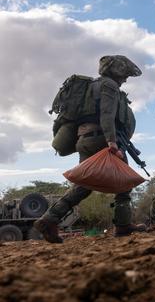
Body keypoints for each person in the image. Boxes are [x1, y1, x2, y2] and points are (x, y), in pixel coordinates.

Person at [34, 55, 146, 243]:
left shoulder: (92, 86)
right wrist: (112, 142)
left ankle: (49, 219)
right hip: (102, 139)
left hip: (85, 139)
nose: (126, 79)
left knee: (84, 185)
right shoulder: (109, 85)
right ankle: (123, 225)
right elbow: (107, 115)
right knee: (124, 182)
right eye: (125, 74)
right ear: (117, 71)